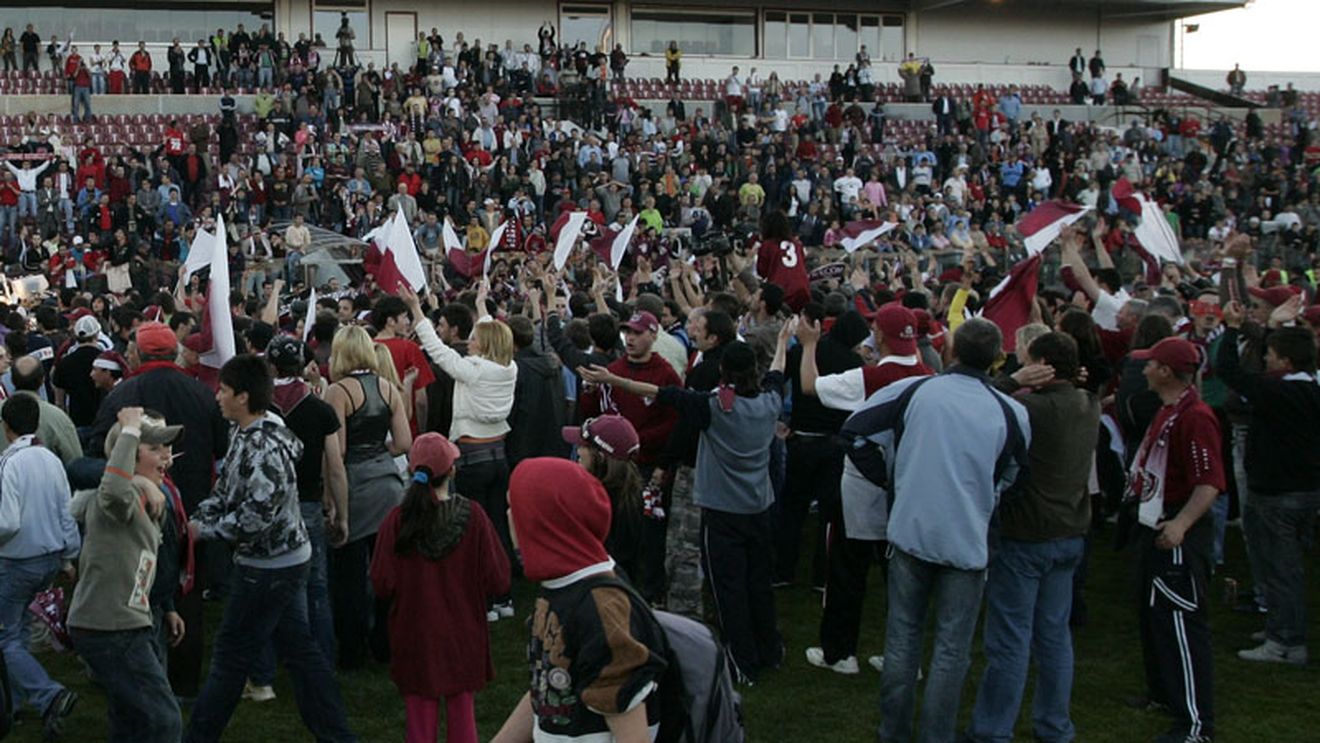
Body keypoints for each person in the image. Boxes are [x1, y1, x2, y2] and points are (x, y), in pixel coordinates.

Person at [581, 329, 793, 685]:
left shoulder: (712, 407)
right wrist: (784, 340)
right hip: (758, 507)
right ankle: (769, 648)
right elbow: (778, 370)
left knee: (728, 588)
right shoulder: (770, 402)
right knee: (758, 581)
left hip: (723, 512)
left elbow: (658, 392)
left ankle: (742, 660)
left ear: (722, 370)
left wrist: (612, 379)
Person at [855, 318, 1029, 743]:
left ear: (952, 350)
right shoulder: (1011, 411)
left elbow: (856, 432)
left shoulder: (918, 390)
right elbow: (1013, 474)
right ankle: (933, 735)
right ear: (997, 358)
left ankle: (893, 732)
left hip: (915, 532)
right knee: (950, 649)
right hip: (965, 538)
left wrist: (895, 481)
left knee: (903, 638)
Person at [185, 354, 358, 743]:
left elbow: (258, 515)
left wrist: (204, 530)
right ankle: (337, 734)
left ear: (243, 397)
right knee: (300, 654)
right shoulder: (244, 434)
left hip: (269, 566)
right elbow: (226, 491)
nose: (217, 396)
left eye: (224, 390)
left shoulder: (264, 446)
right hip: (276, 561)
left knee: (231, 657)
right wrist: (198, 517)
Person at [964, 332, 1100, 742]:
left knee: (1010, 639)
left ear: (1041, 366)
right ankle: (1054, 726)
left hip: (1026, 535)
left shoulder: (1029, 408)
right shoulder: (1087, 403)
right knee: (1054, 636)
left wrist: (1012, 380)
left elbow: (977, 403)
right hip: (1069, 531)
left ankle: (992, 731)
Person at [794, 304, 933, 675]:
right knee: (903, 580)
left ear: (880, 335)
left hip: (862, 487)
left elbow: (809, 386)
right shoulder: (929, 376)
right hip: (909, 487)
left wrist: (809, 345)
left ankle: (840, 654)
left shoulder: (871, 377)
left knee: (846, 571)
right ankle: (907, 659)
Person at [491, 457, 668, 743]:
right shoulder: (560, 586)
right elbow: (546, 688)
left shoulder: (602, 608)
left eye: (516, 508)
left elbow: (633, 734)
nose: (509, 516)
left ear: (541, 525)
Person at [370, 432, 511, 743]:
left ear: (412, 470)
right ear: (452, 471)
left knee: (419, 723)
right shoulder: (473, 517)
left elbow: (382, 582)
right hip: (463, 632)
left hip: (414, 635)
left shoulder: (397, 521)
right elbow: (499, 578)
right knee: (463, 718)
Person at [1125, 336, 1224, 743]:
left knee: (1181, 624)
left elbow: (1209, 482)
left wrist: (1181, 523)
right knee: (1157, 620)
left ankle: (1196, 725)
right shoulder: (1171, 410)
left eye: (1151, 364)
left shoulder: (1195, 417)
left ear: (1166, 372)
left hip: (1176, 530)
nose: (1145, 369)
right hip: (1155, 523)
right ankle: (1165, 694)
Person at [403, 284, 519, 620]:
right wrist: (481, 305)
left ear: (485, 344)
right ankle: (504, 595)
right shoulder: (509, 368)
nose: (469, 340)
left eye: (475, 338)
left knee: (473, 530)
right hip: (498, 455)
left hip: (472, 458)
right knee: (497, 524)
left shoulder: (475, 370)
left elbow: (438, 351)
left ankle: (484, 598)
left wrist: (417, 310)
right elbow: (492, 333)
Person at [68, 406, 183, 743]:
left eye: (167, 447)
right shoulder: (118, 498)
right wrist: (130, 432)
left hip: (130, 621)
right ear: (129, 454)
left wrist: (167, 605)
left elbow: (153, 562)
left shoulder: (151, 495)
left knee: (131, 719)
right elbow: (110, 487)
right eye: (155, 448)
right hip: (111, 627)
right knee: (164, 721)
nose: (167, 456)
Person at [1216, 306, 1320, 665]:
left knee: (1279, 569)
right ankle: (1280, 626)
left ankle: (1286, 642)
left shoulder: (1277, 392)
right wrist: (1274, 328)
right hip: (1305, 491)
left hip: (1275, 494)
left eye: (1271, 355)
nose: (1266, 360)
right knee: (1283, 568)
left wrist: (1231, 329)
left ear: (1286, 363)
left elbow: (1228, 370)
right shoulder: (1311, 389)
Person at [246, 336, 347, 702]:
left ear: (271, 367)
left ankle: (265, 675)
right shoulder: (319, 408)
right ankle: (320, 666)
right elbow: (334, 465)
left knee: (265, 589)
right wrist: (341, 512)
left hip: (269, 507)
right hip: (307, 503)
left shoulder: (258, 409)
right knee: (315, 588)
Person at [324, 324, 411, 669]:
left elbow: (338, 451)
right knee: (387, 572)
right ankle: (386, 644)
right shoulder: (388, 387)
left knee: (348, 574)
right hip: (388, 485)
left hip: (355, 485)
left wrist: (333, 502)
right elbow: (404, 443)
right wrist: (378, 452)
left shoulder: (338, 391)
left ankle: (352, 649)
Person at [0, 393, 81, 740]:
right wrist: (68, 556)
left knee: (6, 638)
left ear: (6, 427)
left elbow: (7, 523)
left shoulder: (9, 463)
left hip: (17, 561)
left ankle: (48, 695)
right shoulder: (50, 459)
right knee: (18, 634)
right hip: (49, 559)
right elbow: (67, 511)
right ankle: (17, 703)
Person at [562, 414, 644, 582]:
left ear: (599, 456)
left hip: (596, 586)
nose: (578, 450)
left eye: (583, 446)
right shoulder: (631, 491)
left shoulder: (598, 502)